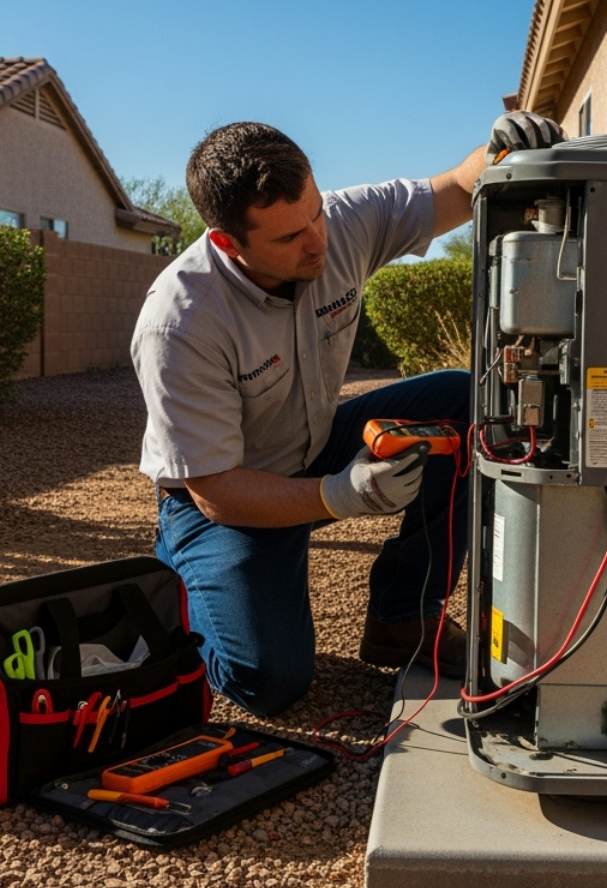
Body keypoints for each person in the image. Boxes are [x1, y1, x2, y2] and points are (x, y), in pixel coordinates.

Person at [130, 112, 565, 716]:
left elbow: (459, 188)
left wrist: (499, 147)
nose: (318, 241)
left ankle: (402, 617)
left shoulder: (341, 221)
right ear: (228, 242)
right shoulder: (180, 323)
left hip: (312, 442)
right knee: (270, 682)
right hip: (227, 496)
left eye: (313, 212)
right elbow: (216, 490)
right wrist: (340, 495)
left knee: (465, 400)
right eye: (287, 238)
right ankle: (185, 579)